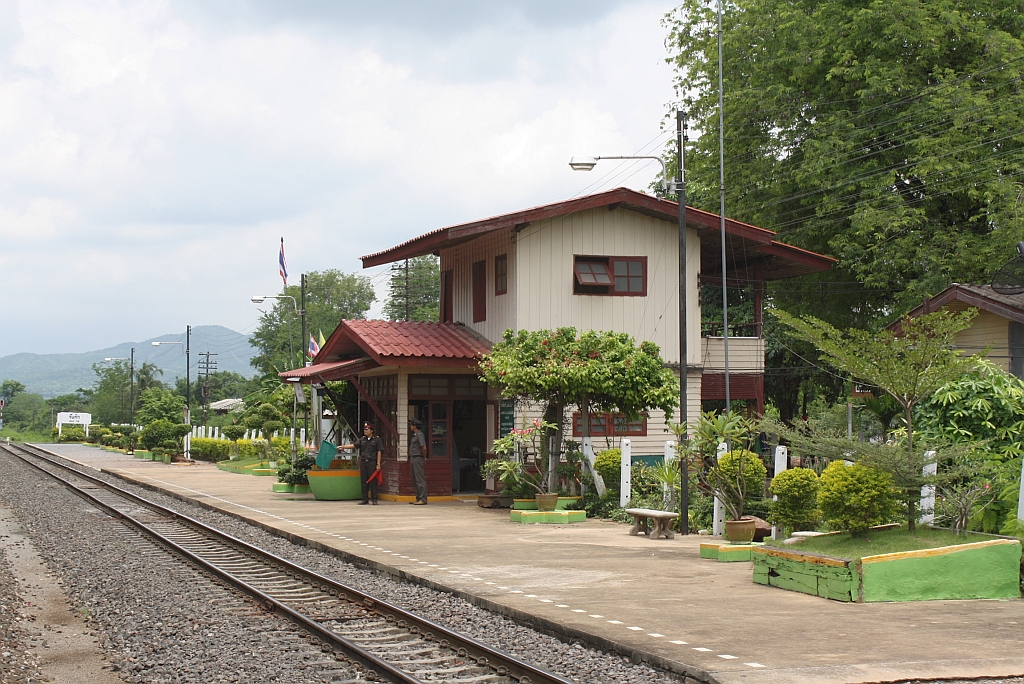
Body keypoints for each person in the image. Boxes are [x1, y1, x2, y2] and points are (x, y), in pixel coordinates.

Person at [340, 423, 384, 505]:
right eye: (364, 429)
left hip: (372, 462)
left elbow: (379, 451)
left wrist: (378, 463)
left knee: (373, 481)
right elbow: (354, 445)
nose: (365, 431)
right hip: (363, 462)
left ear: (371, 431)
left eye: (367, 429)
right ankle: (364, 499)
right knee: (363, 481)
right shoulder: (362, 439)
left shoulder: (377, 439)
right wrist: (343, 447)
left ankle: (374, 499)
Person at [408, 419, 428, 505]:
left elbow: (423, 447)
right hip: (413, 458)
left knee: (419, 479)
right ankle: (418, 497)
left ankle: (423, 498)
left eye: (411, 425)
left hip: (418, 458)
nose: (410, 426)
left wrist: (424, 457)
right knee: (414, 479)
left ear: (414, 426)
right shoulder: (414, 435)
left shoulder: (420, 435)